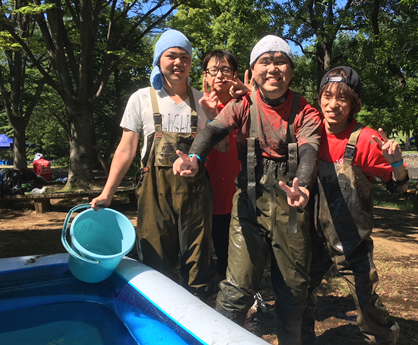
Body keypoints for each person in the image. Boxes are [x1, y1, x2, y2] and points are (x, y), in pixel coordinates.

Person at [173, 35, 322, 345]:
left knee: (293, 292)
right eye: (264, 62)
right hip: (249, 209)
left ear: (291, 71)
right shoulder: (242, 105)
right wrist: (196, 157)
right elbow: (213, 130)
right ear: (253, 71)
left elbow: (310, 149)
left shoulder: (305, 111)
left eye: (280, 61)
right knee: (234, 291)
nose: (272, 68)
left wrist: (303, 186)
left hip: (291, 209)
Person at [90, 29, 215, 300]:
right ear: (159, 60)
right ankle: (159, 318)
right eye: (171, 55)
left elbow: (222, 147)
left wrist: (216, 115)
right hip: (153, 192)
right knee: (156, 259)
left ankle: (200, 322)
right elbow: (126, 149)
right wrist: (108, 192)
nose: (178, 62)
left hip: (195, 193)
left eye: (185, 57)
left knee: (198, 261)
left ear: (191, 63)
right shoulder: (142, 98)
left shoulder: (203, 101)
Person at [301, 66, 409, 345]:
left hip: (352, 240)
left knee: (364, 297)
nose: (332, 104)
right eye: (327, 95)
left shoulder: (365, 139)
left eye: (342, 98)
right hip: (311, 234)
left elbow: (399, 187)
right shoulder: (309, 131)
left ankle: (384, 339)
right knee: (301, 291)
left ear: (353, 104)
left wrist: (396, 164)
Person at [200, 50, 242, 278]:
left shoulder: (245, 105)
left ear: (235, 75)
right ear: (205, 75)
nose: (219, 75)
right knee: (208, 247)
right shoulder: (197, 104)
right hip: (207, 189)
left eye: (225, 70)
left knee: (235, 249)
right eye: (213, 70)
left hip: (239, 190)